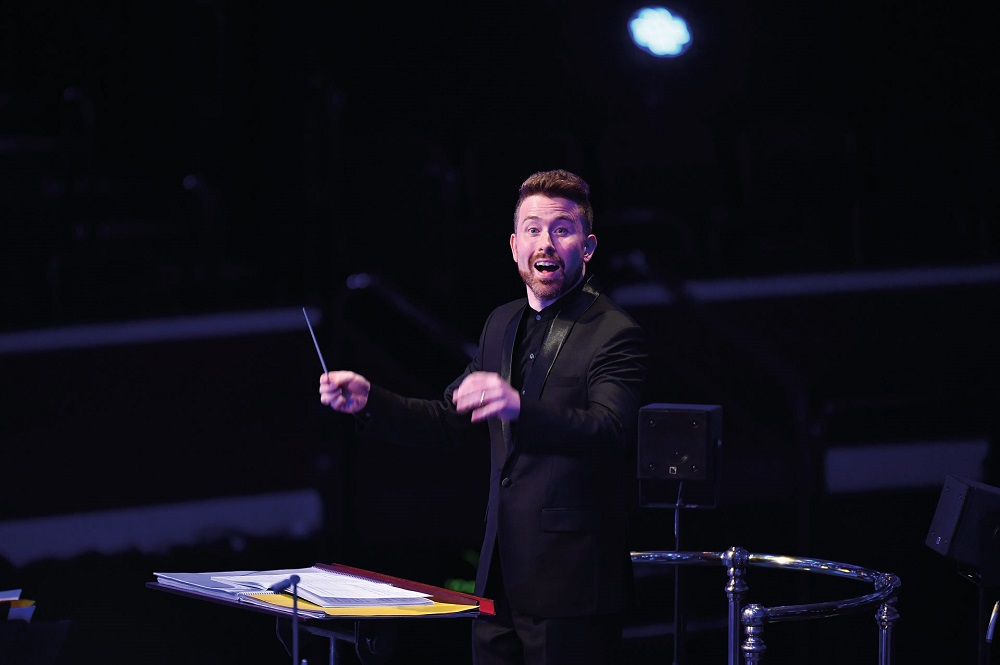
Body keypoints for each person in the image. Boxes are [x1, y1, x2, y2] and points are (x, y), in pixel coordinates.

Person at [319, 169, 648, 665]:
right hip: (499, 581)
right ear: (515, 245)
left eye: (563, 229)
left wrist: (520, 406)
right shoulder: (502, 323)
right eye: (534, 229)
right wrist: (372, 401)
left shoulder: (613, 333)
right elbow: (448, 419)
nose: (547, 242)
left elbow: (612, 431)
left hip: (573, 588)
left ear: (588, 246)